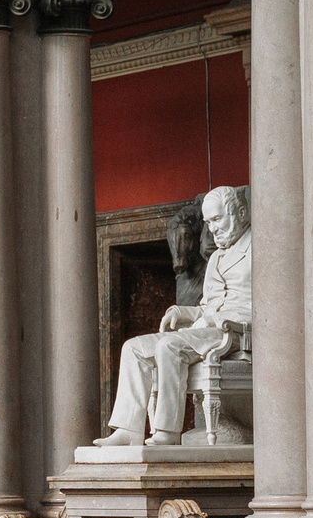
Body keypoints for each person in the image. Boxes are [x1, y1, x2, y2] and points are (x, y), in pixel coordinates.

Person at [95, 185, 251, 446]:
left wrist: (215, 320)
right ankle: (128, 430)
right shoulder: (216, 259)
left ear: (242, 212)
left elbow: (271, 306)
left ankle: (167, 432)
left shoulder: (260, 248)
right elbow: (209, 305)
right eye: (209, 221)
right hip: (207, 329)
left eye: (217, 219)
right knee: (132, 347)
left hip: (234, 331)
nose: (212, 229)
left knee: (170, 345)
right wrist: (182, 311)